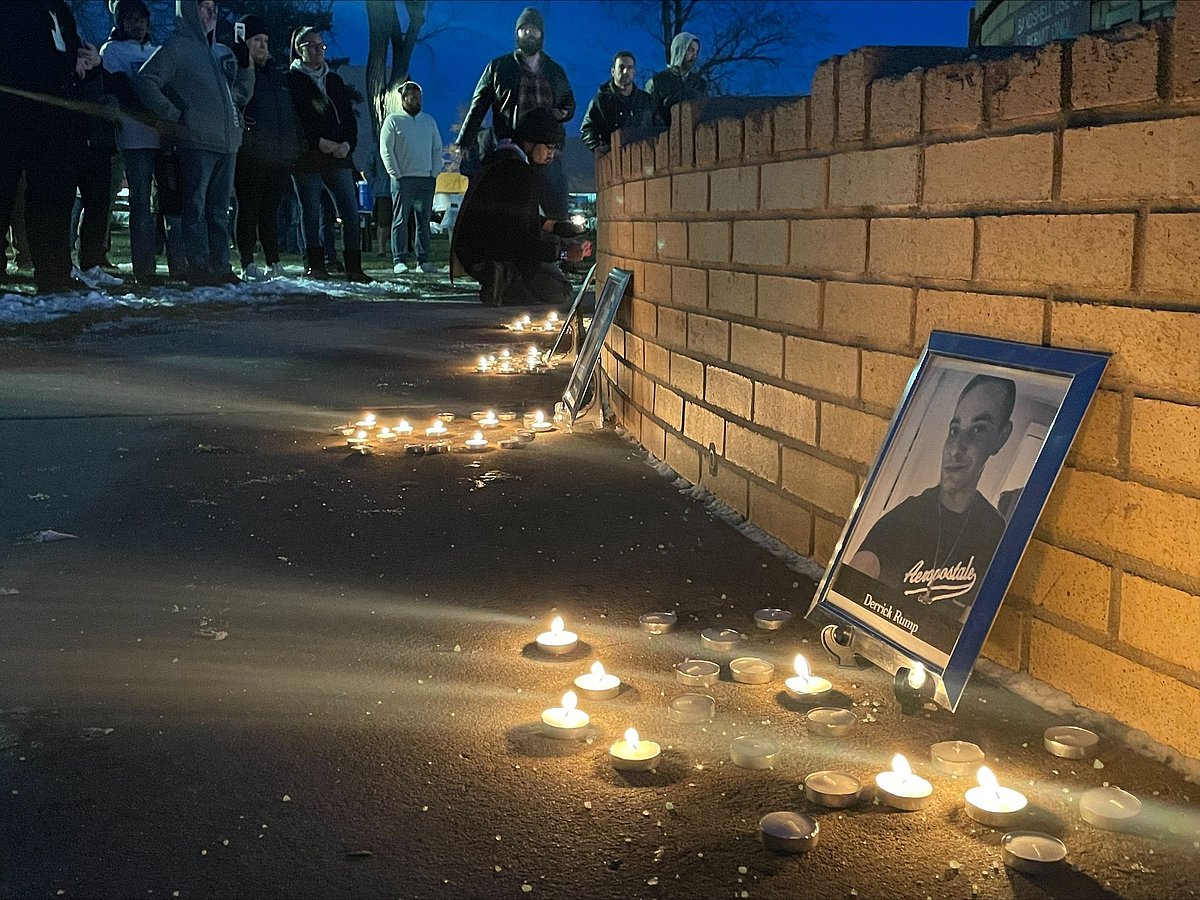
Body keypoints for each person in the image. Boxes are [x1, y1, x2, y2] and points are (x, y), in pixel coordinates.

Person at [849, 374, 1017, 634]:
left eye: (978, 429)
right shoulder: (905, 517)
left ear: (1001, 437)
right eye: (954, 430)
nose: (956, 448)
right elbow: (851, 591)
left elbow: (969, 625)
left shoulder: (994, 530)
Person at [134, 0, 254, 287]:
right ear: (189, 9)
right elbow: (145, 80)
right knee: (196, 207)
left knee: (219, 210)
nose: (211, 13)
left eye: (214, 7)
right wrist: (176, 116)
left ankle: (221, 266)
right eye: (203, 6)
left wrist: (246, 65)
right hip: (197, 141)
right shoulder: (177, 47)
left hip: (228, 143)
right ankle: (199, 266)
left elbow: (241, 96)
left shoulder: (222, 52)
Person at [0, 1, 102, 295]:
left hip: (56, 125)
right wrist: (67, 63)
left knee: (54, 198)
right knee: (6, 195)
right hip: (14, 118)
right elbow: (19, 57)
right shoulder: (14, 9)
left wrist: (92, 64)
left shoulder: (61, 10)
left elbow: (71, 56)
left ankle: (55, 271)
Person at [452, 108, 590, 307]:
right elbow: (517, 237)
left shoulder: (504, 161)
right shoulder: (518, 172)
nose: (552, 153)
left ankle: (503, 276)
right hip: (490, 253)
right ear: (530, 142)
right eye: (548, 146)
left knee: (551, 275)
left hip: (479, 249)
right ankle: (503, 281)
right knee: (561, 290)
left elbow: (514, 217)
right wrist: (562, 253)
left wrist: (556, 227)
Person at [453, 7, 574, 220]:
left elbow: (569, 105)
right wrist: (465, 140)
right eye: (524, 30)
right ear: (516, 33)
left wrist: (550, 118)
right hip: (511, 146)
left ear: (541, 35)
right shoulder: (499, 67)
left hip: (546, 149)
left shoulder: (555, 71)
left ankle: (558, 250)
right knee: (511, 207)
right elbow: (478, 105)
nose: (529, 34)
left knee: (556, 205)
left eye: (534, 30)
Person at [287, 26, 369, 283]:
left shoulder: (334, 80)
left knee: (349, 210)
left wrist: (347, 143)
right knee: (310, 210)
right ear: (299, 50)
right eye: (311, 45)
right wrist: (316, 141)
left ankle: (354, 266)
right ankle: (314, 264)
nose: (318, 50)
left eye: (321, 45)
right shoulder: (292, 79)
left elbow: (348, 116)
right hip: (308, 155)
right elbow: (294, 118)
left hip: (339, 154)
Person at [102, 0, 172, 286]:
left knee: (168, 201)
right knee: (140, 202)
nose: (137, 24)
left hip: (163, 139)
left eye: (141, 18)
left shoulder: (156, 51)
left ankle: (176, 262)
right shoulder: (112, 52)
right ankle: (144, 268)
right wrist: (157, 118)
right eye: (130, 18)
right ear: (120, 21)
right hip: (134, 138)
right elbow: (123, 93)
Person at [233, 14, 299, 281]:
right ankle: (247, 262)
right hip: (250, 153)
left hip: (278, 154)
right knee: (248, 209)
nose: (262, 45)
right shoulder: (239, 71)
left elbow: (288, 113)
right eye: (256, 40)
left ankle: (274, 260)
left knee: (270, 211)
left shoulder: (277, 75)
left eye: (265, 40)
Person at [379, 81, 442, 275]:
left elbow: (437, 148)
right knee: (401, 220)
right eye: (412, 98)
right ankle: (399, 259)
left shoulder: (428, 121)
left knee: (423, 221)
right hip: (403, 179)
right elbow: (386, 149)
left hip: (425, 179)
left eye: (419, 98)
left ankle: (423, 260)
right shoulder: (393, 120)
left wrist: (434, 172)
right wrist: (395, 173)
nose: (416, 101)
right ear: (404, 99)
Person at [580, 50, 658, 156]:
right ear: (613, 71)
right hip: (615, 160)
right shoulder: (601, 101)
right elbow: (587, 129)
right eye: (621, 67)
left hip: (645, 158)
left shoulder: (646, 100)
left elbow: (659, 126)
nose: (626, 71)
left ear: (634, 71)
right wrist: (598, 146)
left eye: (630, 68)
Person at [646, 32, 707, 127]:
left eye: (696, 51)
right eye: (691, 50)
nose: (694, 56)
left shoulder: (700, 84)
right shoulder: (657, 82)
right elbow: (651, 117)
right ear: (679, 49)